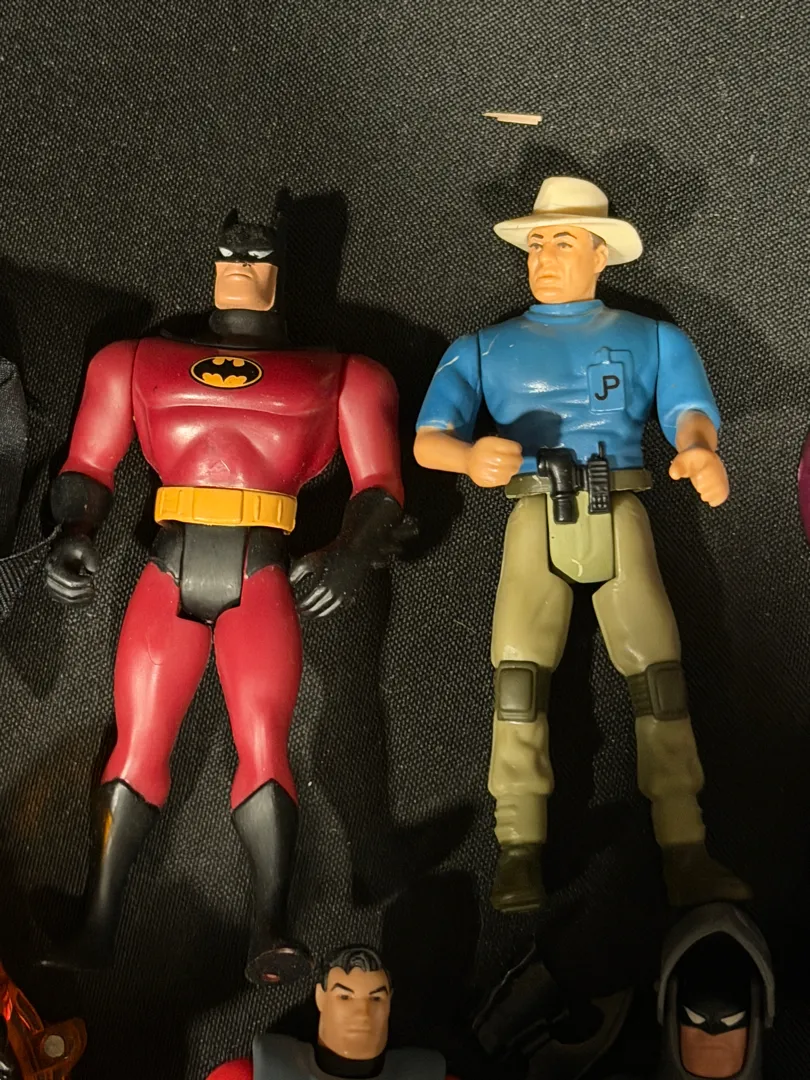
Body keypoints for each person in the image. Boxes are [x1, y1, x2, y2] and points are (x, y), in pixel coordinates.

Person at [42, 208, 409, 984]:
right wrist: (75, 529)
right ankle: (96, 925)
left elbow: (380, 485)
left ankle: (270, 925)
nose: (241, 260)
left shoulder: (343, 374)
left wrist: (351, 552)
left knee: (263, 740)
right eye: (231, 251)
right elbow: (88, 464)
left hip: (262, 570)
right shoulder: (136, 362)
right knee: (139, 741)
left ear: (278, 270)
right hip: (170, 562)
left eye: (257, 253)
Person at [414, 176, 749, 914]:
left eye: (562, 242)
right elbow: (429, 437)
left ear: (602, 253)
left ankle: (685, 845)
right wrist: (468, 458)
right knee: (518, 676)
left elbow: (690, 408)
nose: (543, 256)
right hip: (535, 511)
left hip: (618, 503)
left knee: (658, 673)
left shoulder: (652, 338)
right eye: (536, 243)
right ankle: (517, 845)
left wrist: (699, 449)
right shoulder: (485, 347)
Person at [207, 945, 449, 1080]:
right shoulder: (245, 1075)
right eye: (345, 997)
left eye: (376, 998)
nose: (362, 1012)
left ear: (389, 1002)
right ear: (320, 998)